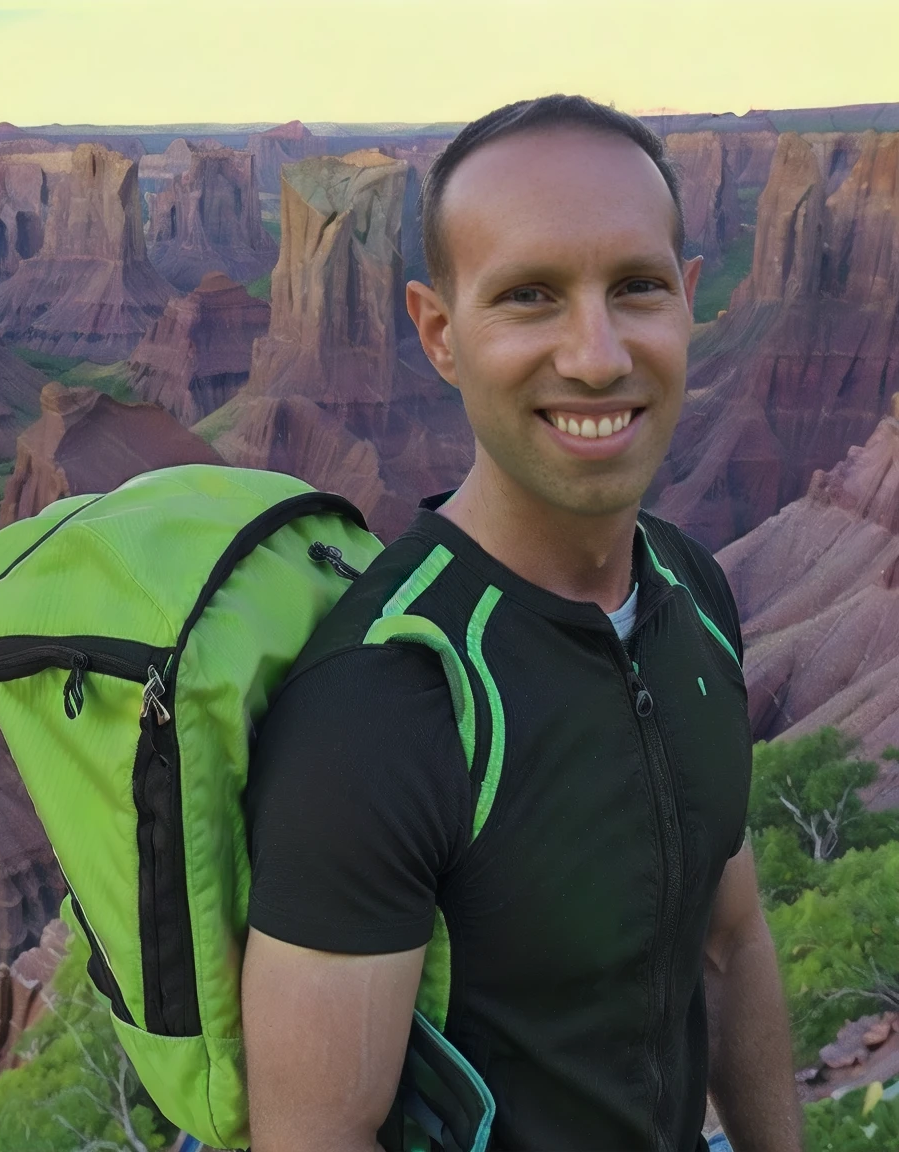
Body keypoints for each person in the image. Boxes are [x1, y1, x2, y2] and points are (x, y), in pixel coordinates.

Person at [240, 94, 804, 1152]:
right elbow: (316, 1138)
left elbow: (729, 945)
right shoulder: (383, 703)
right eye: (531, 297)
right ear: (440, 334)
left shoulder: (694, 593)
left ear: (691, 300)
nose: (595, 356)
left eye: (635, 287)